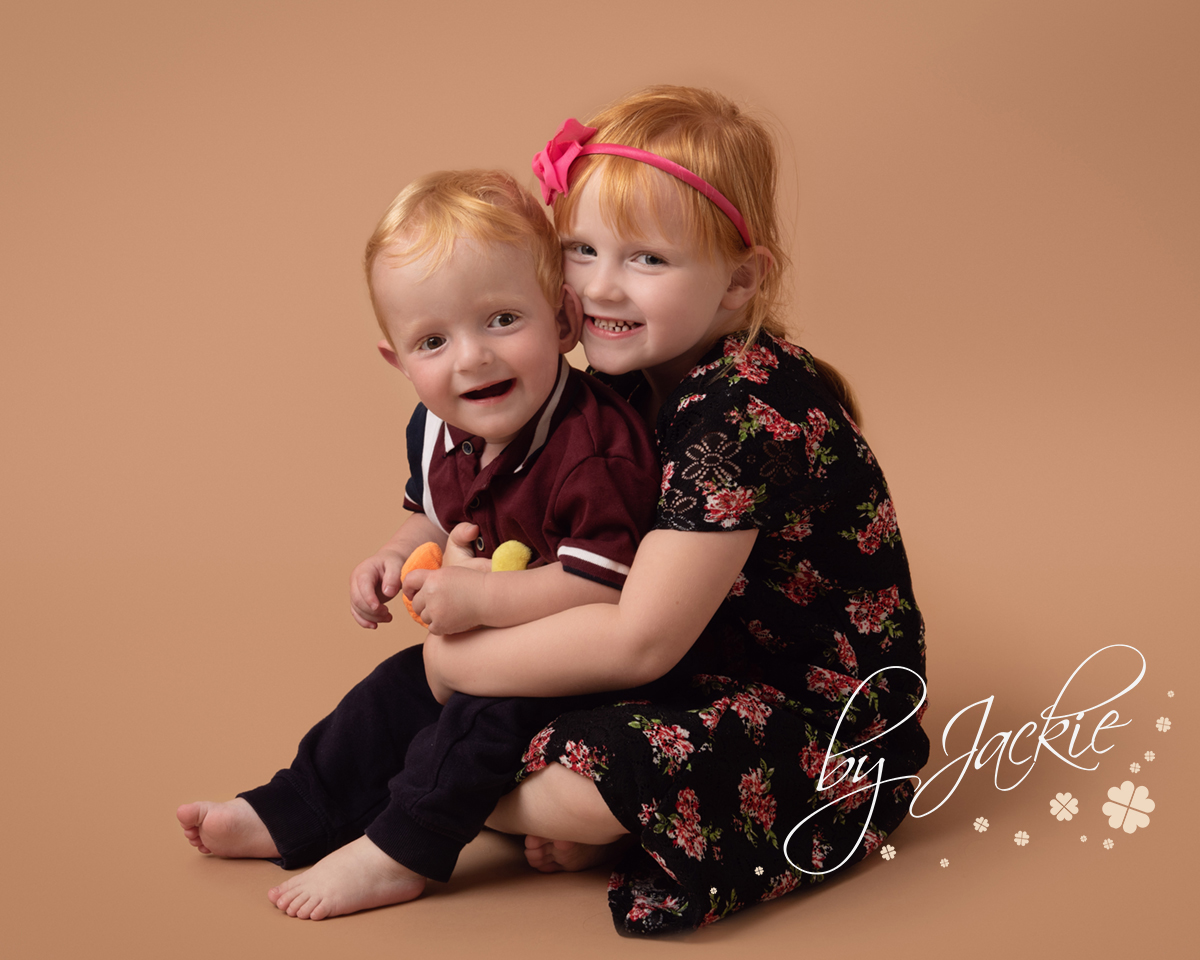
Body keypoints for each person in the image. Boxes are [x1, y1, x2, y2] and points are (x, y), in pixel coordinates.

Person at [418, 86, 931, 935]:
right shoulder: (612, 382)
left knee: (523, 748)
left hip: (808, 717)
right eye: (579, 250)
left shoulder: (746, 413)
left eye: (648, 260)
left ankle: (488, 796)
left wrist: (456, 665)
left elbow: (638, 638)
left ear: (739, 280)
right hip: (689, 673)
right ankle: (506, 789)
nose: (603, 287)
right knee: (485, 713)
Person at [176, 169, 661, 920]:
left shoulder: (594, 449)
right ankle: (291, 809)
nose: (471, 358)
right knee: (389, 697)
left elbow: (605, 585)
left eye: (503, 319)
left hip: (592, 663)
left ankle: (401, 852)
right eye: (433, 340)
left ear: (563, 321)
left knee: (480, 717)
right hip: (497, 643)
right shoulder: (440, 429)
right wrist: (393, 556)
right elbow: (435, 517)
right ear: (399, 362)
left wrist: (483, 598)